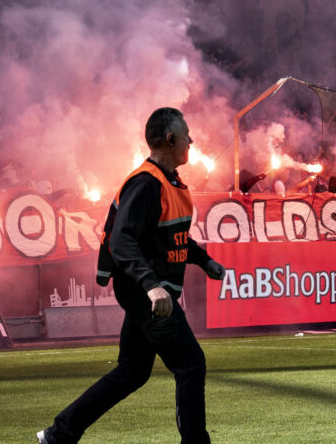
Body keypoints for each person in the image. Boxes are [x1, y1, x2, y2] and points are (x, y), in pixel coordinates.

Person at [38, 107, 226, 444]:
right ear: (170, 139)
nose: (192, 140)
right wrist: (152, 286)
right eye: (186, 134)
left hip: (148, 292)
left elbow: (167, 237)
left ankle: (60, 433)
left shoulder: (166, 182)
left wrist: (202, 259)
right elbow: (122, 240)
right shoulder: (146, 183)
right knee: (190, 364)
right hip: (148, 294)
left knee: (132, 372)